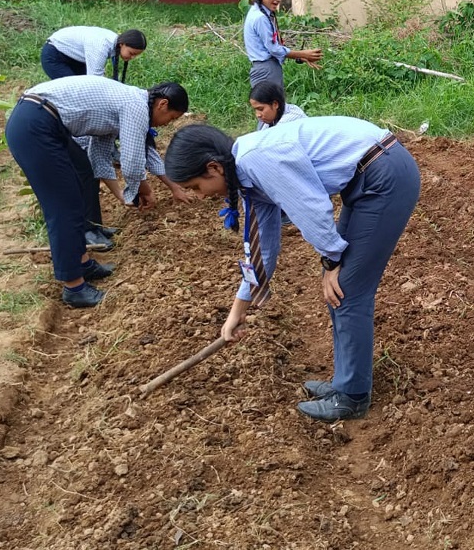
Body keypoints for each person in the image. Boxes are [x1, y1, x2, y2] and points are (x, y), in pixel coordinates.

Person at [165, 118, 420, 422]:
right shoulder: (246, 173)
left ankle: (352, 396)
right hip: (367, 176)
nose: (199, 194)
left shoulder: (257, 159)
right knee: (340, 289)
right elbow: (263, 247)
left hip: (384, 175)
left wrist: (332, 261)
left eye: (195, 186)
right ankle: (345, 383)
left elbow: (311, 207)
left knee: (347, 290)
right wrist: (238, 310)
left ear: (213, 168)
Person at [5, 78, 189, 308]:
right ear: (162, 104)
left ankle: (81, 262)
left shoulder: (128, 105)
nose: (166, 124)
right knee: (63, 206)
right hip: (36, 125)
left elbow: (98, 158)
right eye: (171, 118)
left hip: (44, 119)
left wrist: (122, 194)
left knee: (81, 172)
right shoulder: (135, 107)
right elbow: (132, 163)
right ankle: (74, 287)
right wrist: (143, 189)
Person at [244, 0, 323, 88]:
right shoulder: (260, 17)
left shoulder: (258, 11)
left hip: (267, 69)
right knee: (272, 105)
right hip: (266, 71)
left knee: (273, 104)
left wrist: (299, 57)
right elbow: (274, 49)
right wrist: (302, 53)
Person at [42, 26, 147, 82]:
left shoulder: (115, 42)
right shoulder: (101, 46)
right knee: (74, 90)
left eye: (136, 55)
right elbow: (95, 81)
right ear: (122, 44)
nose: (132, 57)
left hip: (75, 59)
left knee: (83, 89)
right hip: (55, 54)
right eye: (131, 53)